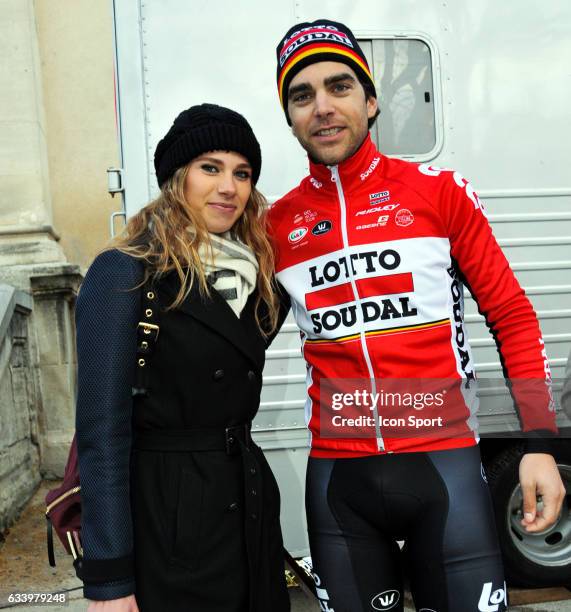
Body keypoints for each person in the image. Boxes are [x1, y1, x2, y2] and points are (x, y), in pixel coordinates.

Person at [267, 19, 566, 612]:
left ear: (371, 101)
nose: (323, 107)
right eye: (302, 95)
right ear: (289, 116)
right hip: (339, 484)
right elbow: (228, 351)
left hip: (443, 466)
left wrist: (538, 443)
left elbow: (510, 314)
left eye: (339, 86)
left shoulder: (439, 191)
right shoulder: (276, 226)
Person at [75, 104, 290, 612]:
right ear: (178, 178)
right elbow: (101, 433)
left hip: (248, 505)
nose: (228, 187)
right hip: (168, 516)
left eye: (242, 173)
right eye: (210, 168)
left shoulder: (258, 277)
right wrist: (109, 580)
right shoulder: (126, 271)